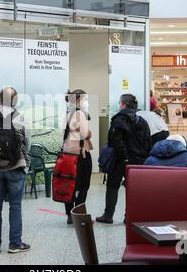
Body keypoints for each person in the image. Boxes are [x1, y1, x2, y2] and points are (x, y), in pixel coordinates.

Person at [0, 87, 31, 253]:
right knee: (15, 206)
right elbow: (27, 142)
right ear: (15, 100)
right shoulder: (20, 117)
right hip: (16, 166)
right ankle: (15, 244)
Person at [96, 94, 152, 224]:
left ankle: (108, 215)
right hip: (137, 160)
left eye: (120, 103)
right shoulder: (142, 121)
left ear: (123, 105)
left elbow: (115, 140)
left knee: (112, 186)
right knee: (132, 189)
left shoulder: (119, 119)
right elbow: (148, 141)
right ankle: (129, 217)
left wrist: (124, 158)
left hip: (120, 160)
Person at [62, 89, 93, 225]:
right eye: (85, 99)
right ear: (79, 100)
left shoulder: (67, 114)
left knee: (70, 184)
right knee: (84, 185)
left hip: (67, 153)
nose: (86, 102)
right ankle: (79, 215)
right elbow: (86, 133)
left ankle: (70, 214)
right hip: (81, 154)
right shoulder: (80, 113)